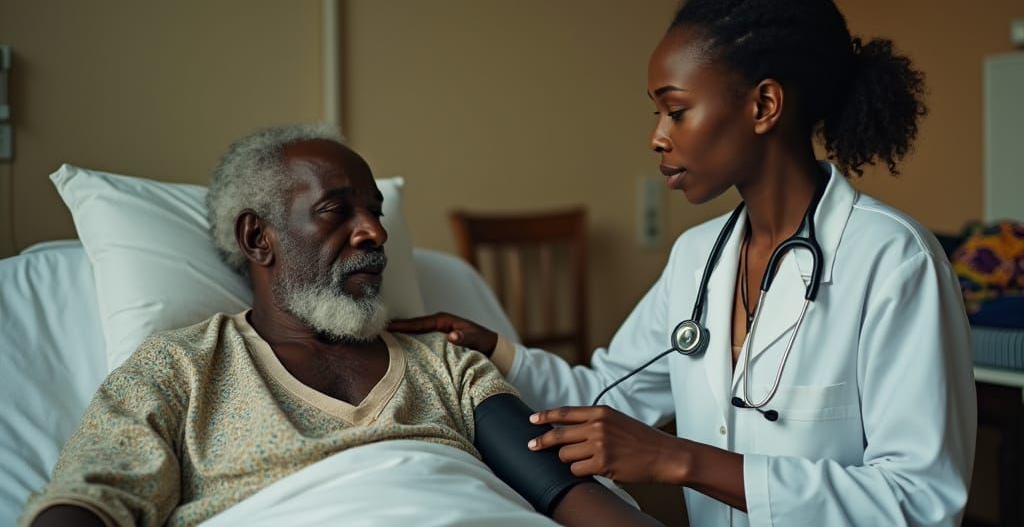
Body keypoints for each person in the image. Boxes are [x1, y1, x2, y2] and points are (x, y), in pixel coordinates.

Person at [390, 0, 977, 526]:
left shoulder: (894, 261)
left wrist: (679, 460)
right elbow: (607, 394)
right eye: (657, 113)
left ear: (763, 106)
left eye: (676, 110)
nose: (657, 136)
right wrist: (490, 347)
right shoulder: (699, 257)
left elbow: (920, 501)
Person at [21, 125, 660, 527]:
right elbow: (93, 498)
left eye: (376, 212)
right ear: (257, 237)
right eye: (336, 211)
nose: (374, 231)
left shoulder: (445, 361)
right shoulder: (181, 369)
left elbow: (561, 490)